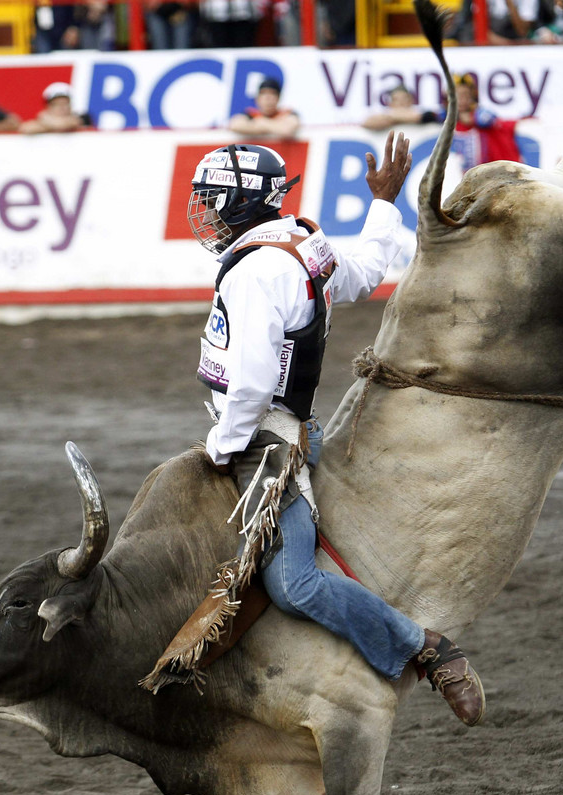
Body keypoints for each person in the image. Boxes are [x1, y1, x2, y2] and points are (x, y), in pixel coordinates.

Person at [161, 135, 486, 726]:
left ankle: (425, 647)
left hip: (263, 441)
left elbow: (254, 383)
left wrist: (222, 445)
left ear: (240, 204)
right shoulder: (302, 243)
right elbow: (363, 274)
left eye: (211, 200)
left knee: (296, 585)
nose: (203, 213)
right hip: (273, 426)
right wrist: (384, 204)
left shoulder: (254, 273)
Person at [435, 73, 522, 170]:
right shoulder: (445, 116)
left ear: (472, 96)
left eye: (465, 94)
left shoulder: (481, 114)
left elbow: (487, 119)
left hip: (491, 171)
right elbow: (433, 116)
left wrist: (470, 117)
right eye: (457, 95)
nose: (461, 99)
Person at [228, 76, 300, 139]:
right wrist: (274, 126)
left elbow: (287, 130)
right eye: (264, 93)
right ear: (257, 98)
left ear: (278, 98)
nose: (268, 98)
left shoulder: (287, 114)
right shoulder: (250, 114)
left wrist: (261, 123)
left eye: (272, 94)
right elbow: (235, 125)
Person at [19, 82, 93, 134]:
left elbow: (64, 125)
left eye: (65, 103)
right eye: (56, 104)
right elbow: (26, 128)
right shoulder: (42, 121)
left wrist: (44, 118)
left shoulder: (81, 118)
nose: (61, 107)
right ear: (48, 107)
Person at [361, 85, 437, 131]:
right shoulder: (384, 116)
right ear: (390, 104)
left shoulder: (421, 114)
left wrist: (394, 118)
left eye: (404, 99)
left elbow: (429, 117)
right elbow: (367, 123)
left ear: (411, 101)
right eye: (396, 100)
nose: (401, 103)